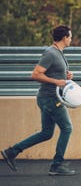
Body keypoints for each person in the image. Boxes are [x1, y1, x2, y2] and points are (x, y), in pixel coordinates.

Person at [2, 25, 76, 175]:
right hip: (50, 99)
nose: (71, 39)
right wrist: (56, 82)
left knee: (47, 133)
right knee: (67, 128)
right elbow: (35, 74)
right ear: (64, 38)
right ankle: (57, 165)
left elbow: (53, 73)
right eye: (70, 37)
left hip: (49, 98)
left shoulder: (58, 53)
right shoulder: (50, 53)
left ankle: (12, 152)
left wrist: (65, 77)